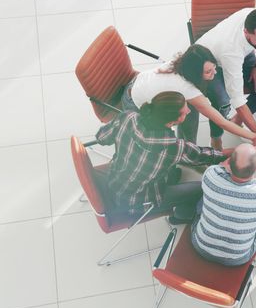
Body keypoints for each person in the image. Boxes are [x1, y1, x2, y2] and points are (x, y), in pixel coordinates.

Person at [96, 91, 231, 223]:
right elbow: (208, 156)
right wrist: (237, 151)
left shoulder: (128, 117)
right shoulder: (173, 147)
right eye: (185, 111)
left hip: (114, 182)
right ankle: (180, 216)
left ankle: (170, 179)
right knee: (203, 188)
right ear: (173, 121)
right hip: (136, 203)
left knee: (169, 168)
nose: (189, 111)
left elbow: (101, 138)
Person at [121, 44, 256, 144]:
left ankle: (188, 142)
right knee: (190, 109)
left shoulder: (184, 62)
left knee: (190, 107)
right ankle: (188, 147)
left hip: (137, 83)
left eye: (213, 68)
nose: (215, 73)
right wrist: (253, 136)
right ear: (194, 72)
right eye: (208, 72)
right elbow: (221, 121)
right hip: (134, 105)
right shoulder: (185, 87)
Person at [196, 8, 256, 150]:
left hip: (243, 54)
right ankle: (216, 139)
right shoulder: (231, 50)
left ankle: (237, 121)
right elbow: (237, 100)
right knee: (223, 102)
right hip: (210, 62)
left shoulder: (255, 15)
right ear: (246, 32)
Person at [191, 141, 256, 266]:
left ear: (229, 165)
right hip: (237, 259)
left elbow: (222, 164)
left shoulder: (211, 175)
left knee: (206, 195)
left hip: (200, 247)